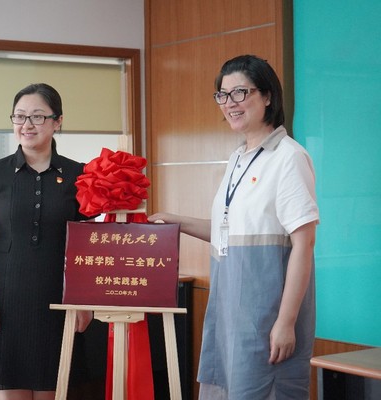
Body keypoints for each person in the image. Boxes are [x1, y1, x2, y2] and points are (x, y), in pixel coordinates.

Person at [149, 55, 319, 399]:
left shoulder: (288, 157)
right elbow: (228, 232)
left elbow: (304, 243)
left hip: (266, 317)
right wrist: (176, 221)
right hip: (230, 315)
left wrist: (286, 322)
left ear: (267, 96)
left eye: (240, 92)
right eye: (223, 95)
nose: (230, 103)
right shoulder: (238, 157)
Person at [0, 83, 94, 400]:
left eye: (37, 116)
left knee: (51, 390)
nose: (27, 124)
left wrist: (84, 301)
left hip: (57, 301)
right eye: (19, 116)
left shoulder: (79, 175)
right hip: (4, 300)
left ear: (57, 121)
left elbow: (87, 245)